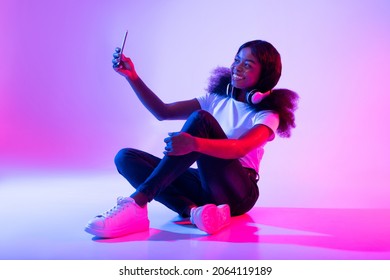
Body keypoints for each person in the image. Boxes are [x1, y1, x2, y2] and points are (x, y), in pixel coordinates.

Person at [85, 40, 299, 238]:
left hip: (239, 192)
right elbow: (163, 112)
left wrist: (194, 144)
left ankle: (137, 203)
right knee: (126, 158)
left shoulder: (268, 115)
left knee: (201, 120)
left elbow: (239, 149)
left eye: (248, 64)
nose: (237, 67)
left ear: (265, 75)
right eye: (236, 60)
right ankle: (195, 212)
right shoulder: (215, 100)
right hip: (206, 184)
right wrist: (132, 77)